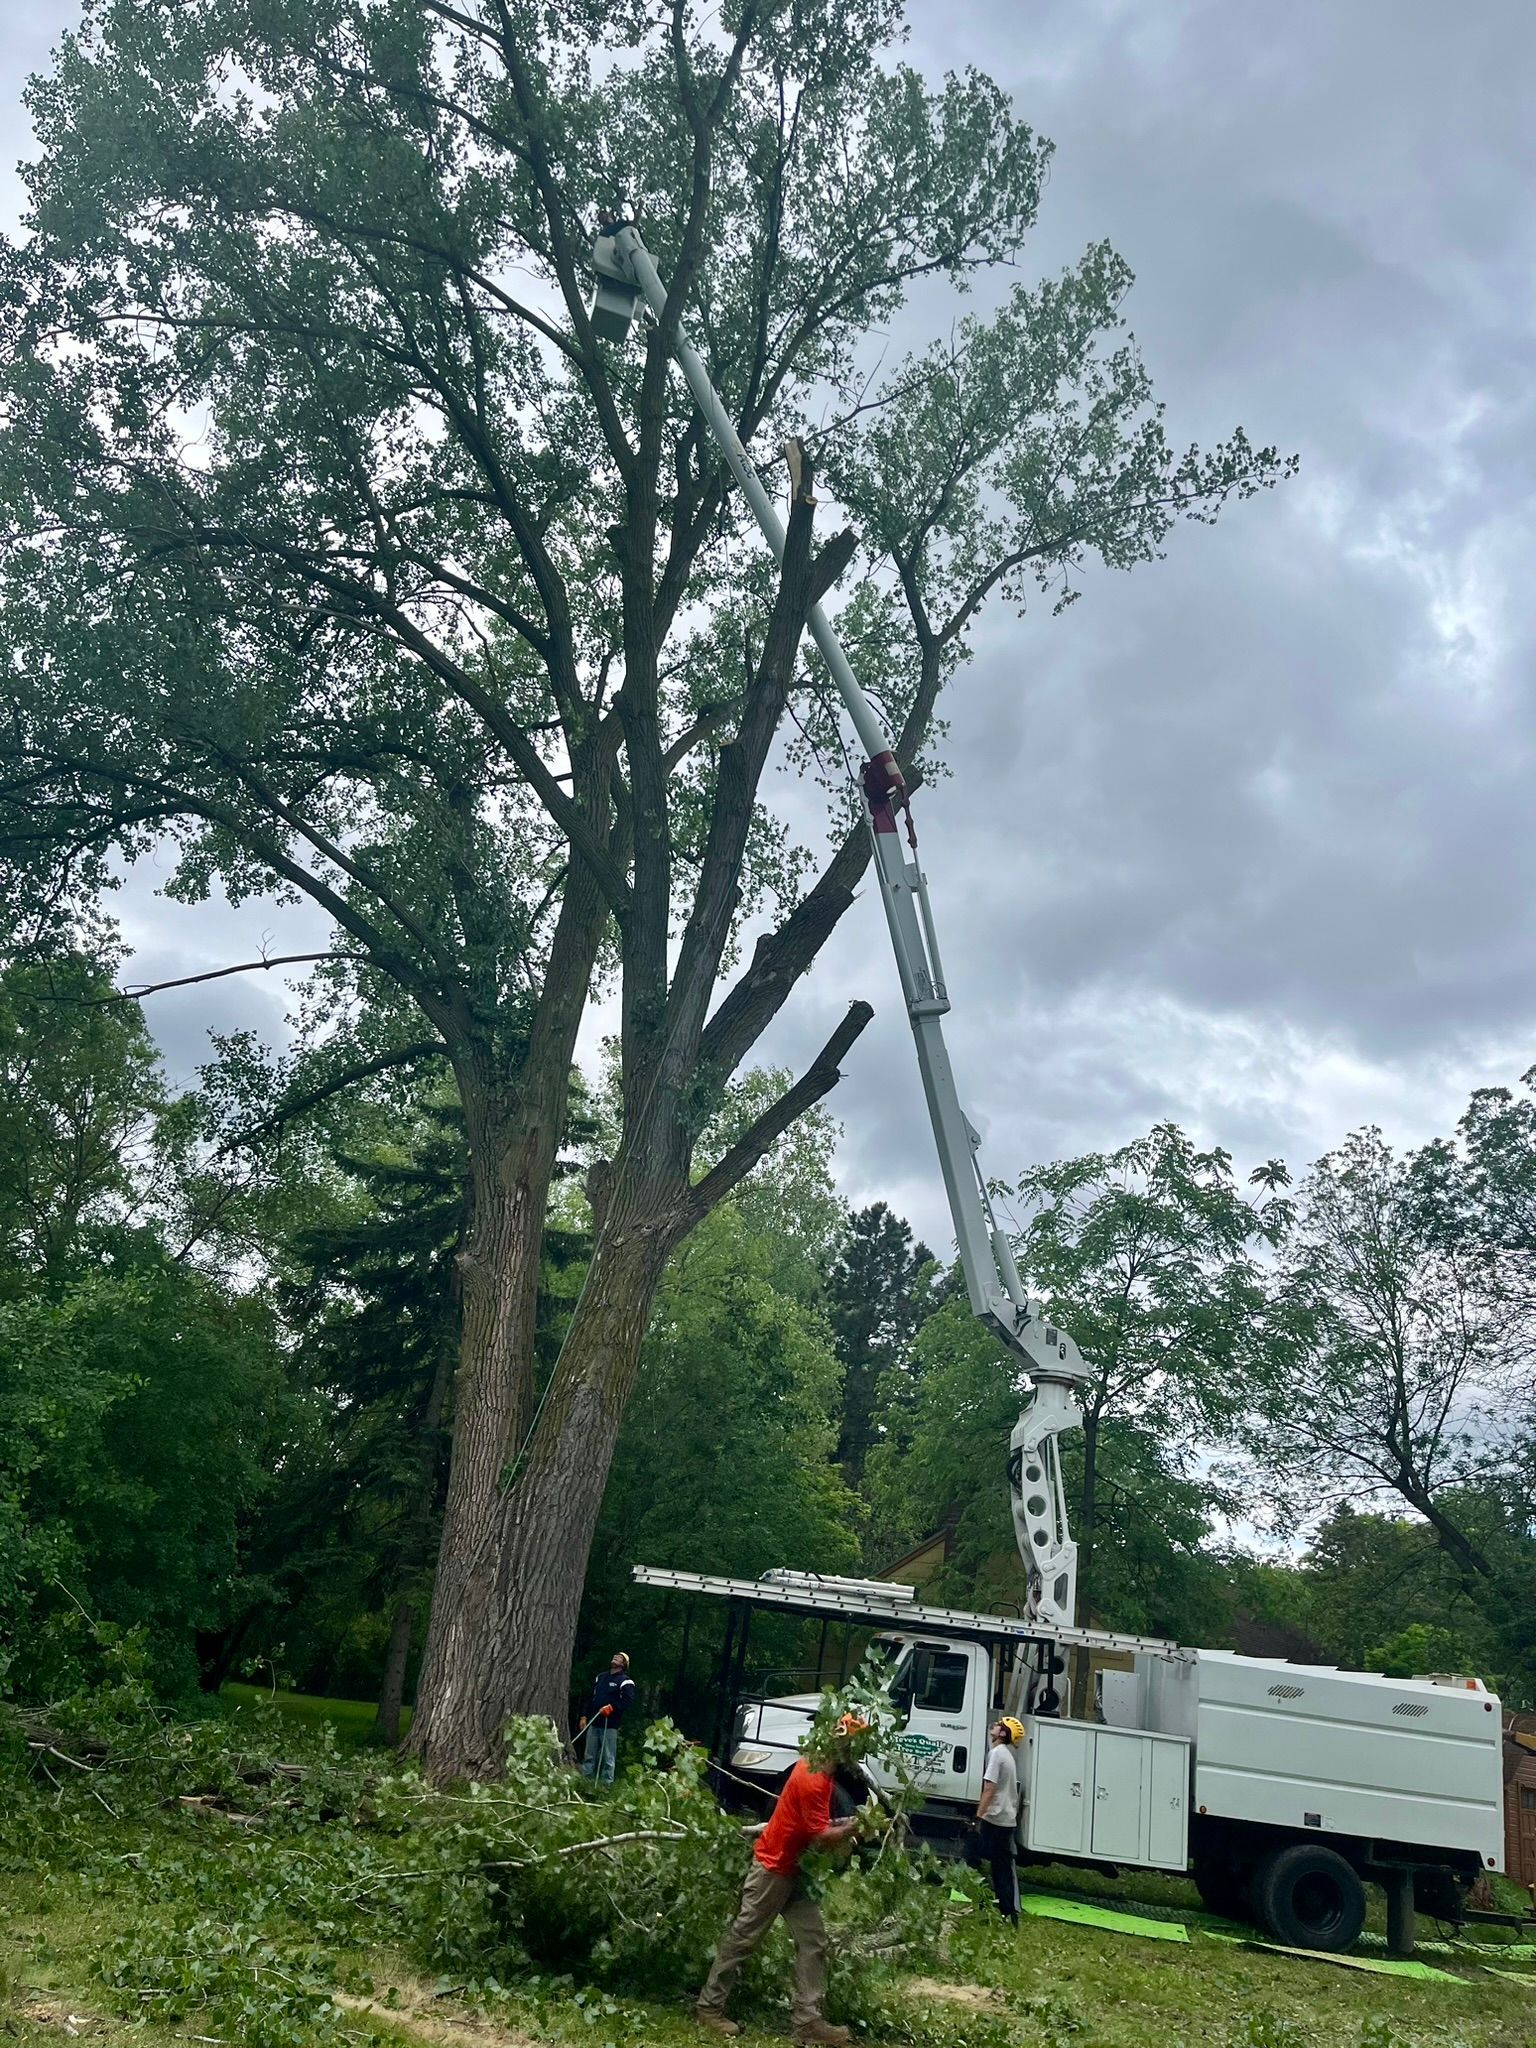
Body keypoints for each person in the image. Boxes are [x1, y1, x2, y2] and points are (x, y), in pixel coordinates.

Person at [695, 1713, 867, 2045]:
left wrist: (849, 1821)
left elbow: (817, 1823)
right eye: (855, 1745)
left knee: (814, 1940)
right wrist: (855, 1827)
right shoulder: (813, 1778)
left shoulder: (822, 1771)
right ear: (843, 1745)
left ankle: (808, 2022)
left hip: (794, 1869)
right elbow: (822, 1835)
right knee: (744, 1937)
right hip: (773, 1869)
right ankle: (709, 2008)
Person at [974, 1716, 1024, 1925]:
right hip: (1006, 1820)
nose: (993, 1726)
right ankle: (1008, 1912)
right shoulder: (1007, 1755)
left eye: (997, 1725)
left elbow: (989, 1788)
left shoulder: (996, 1755)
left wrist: (978, 1816)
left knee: (973, 1858)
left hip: (994, 1819)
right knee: (1001, 1866)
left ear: (1003, 1733)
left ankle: (984, 1905)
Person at [579, 1651, 637, 1786]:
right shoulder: (600, 1678)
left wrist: (611, 1708)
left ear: (624, 1664)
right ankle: (584, 1782)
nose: (616, 1658)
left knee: (608, 1757)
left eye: (620, 1658)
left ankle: (606, 1786)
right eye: (615, 1656)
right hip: (594, 1722)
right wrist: (584, 1715)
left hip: (610, 1725)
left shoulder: (625, 1681)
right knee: (589, 1755)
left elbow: (627, 1701)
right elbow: (590, 1698)